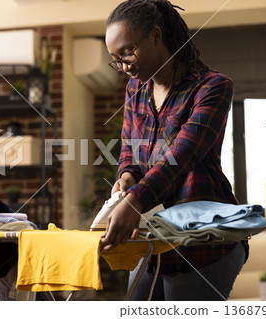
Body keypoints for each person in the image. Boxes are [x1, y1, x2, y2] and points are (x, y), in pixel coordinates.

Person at [100, 0, 246, 300]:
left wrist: (135, 202)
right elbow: (130, 146)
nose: (124, 67)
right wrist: (127, 174)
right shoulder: (136, 89)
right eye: (116, 59)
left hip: (202, 244)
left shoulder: (212, 87)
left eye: (128, 52)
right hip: (149, 241)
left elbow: (180, 156)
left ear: (155, 36)